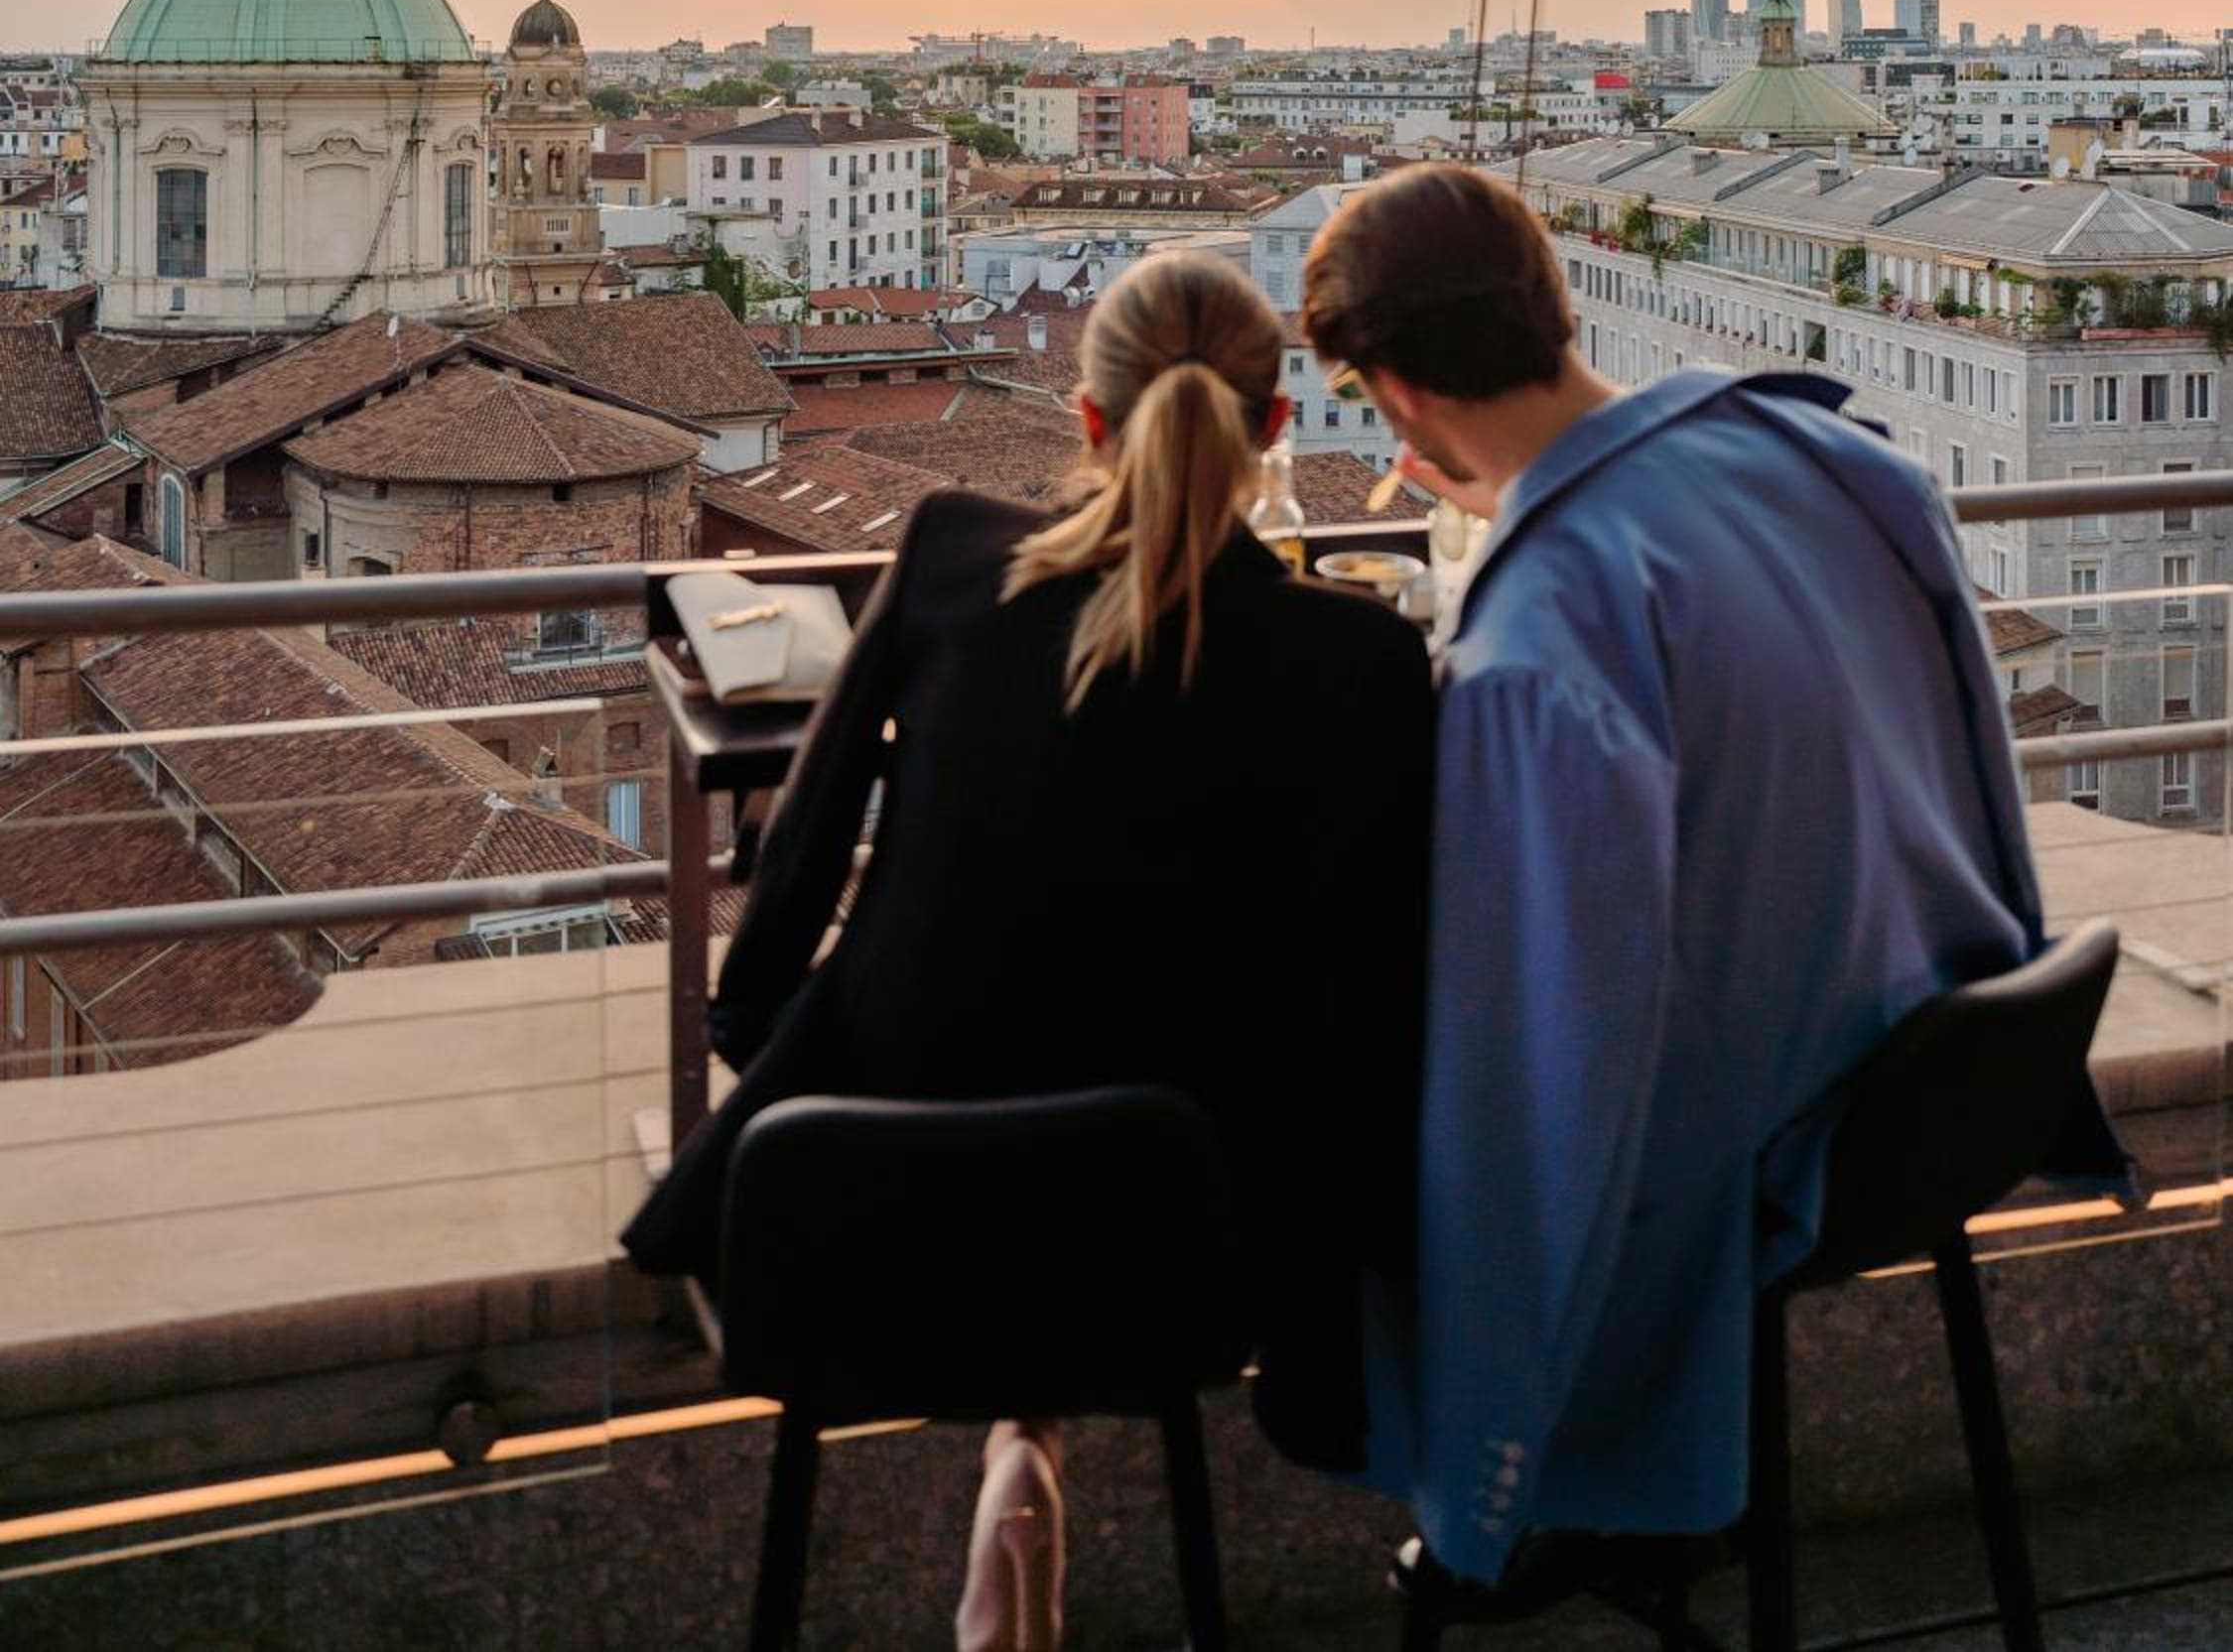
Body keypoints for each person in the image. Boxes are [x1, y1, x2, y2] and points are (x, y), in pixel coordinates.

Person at [1299, 164, 2119, 1605]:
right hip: (1956, 1076)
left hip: (1776, 1159)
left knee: (1357, 1163)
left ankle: (1527, 1493)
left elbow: (1550, 1057)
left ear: (1395, 395)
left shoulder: (1546, 626)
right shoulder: (1843, 461)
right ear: (1554, 302)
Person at [623, 251, 1432, 1651]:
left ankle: (1020, 1446)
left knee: (998, 1073)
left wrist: (759, 1050)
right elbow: (1368, 1005)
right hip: (1178, 1252)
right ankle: (1029, 1439)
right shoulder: (1356, 658)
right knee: (1098, 1118)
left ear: (1088, 420)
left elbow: (798, 860)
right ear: (1276, 428)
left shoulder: (950, 552)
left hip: (862, 1215)